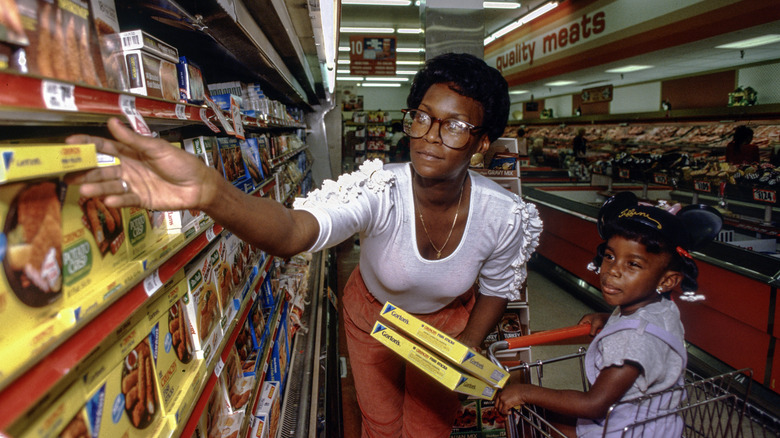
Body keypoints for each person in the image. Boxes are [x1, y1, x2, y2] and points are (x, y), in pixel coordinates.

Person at [66, 52, 543, 438]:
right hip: (372, 317)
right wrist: (215, 193)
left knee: (428, 427)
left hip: (443, 326)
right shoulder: (380, 189)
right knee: (378, 419)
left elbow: (497, 285)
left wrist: (467, 344)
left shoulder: (504, 215)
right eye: (421, 117)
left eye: (454, 126)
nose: (429, 137)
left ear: (483, 144)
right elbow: (295, 231)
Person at [495, 192, 722, 438]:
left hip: (624, 431)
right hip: (655, 425)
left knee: (530, 416)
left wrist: (525, 391)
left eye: (633, 264)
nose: (613, 271)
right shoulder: (661, 307)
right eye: (610, 256)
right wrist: (609, 318)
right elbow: (649, 326)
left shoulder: (632, 339)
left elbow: (594, 404)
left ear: (667, 280)